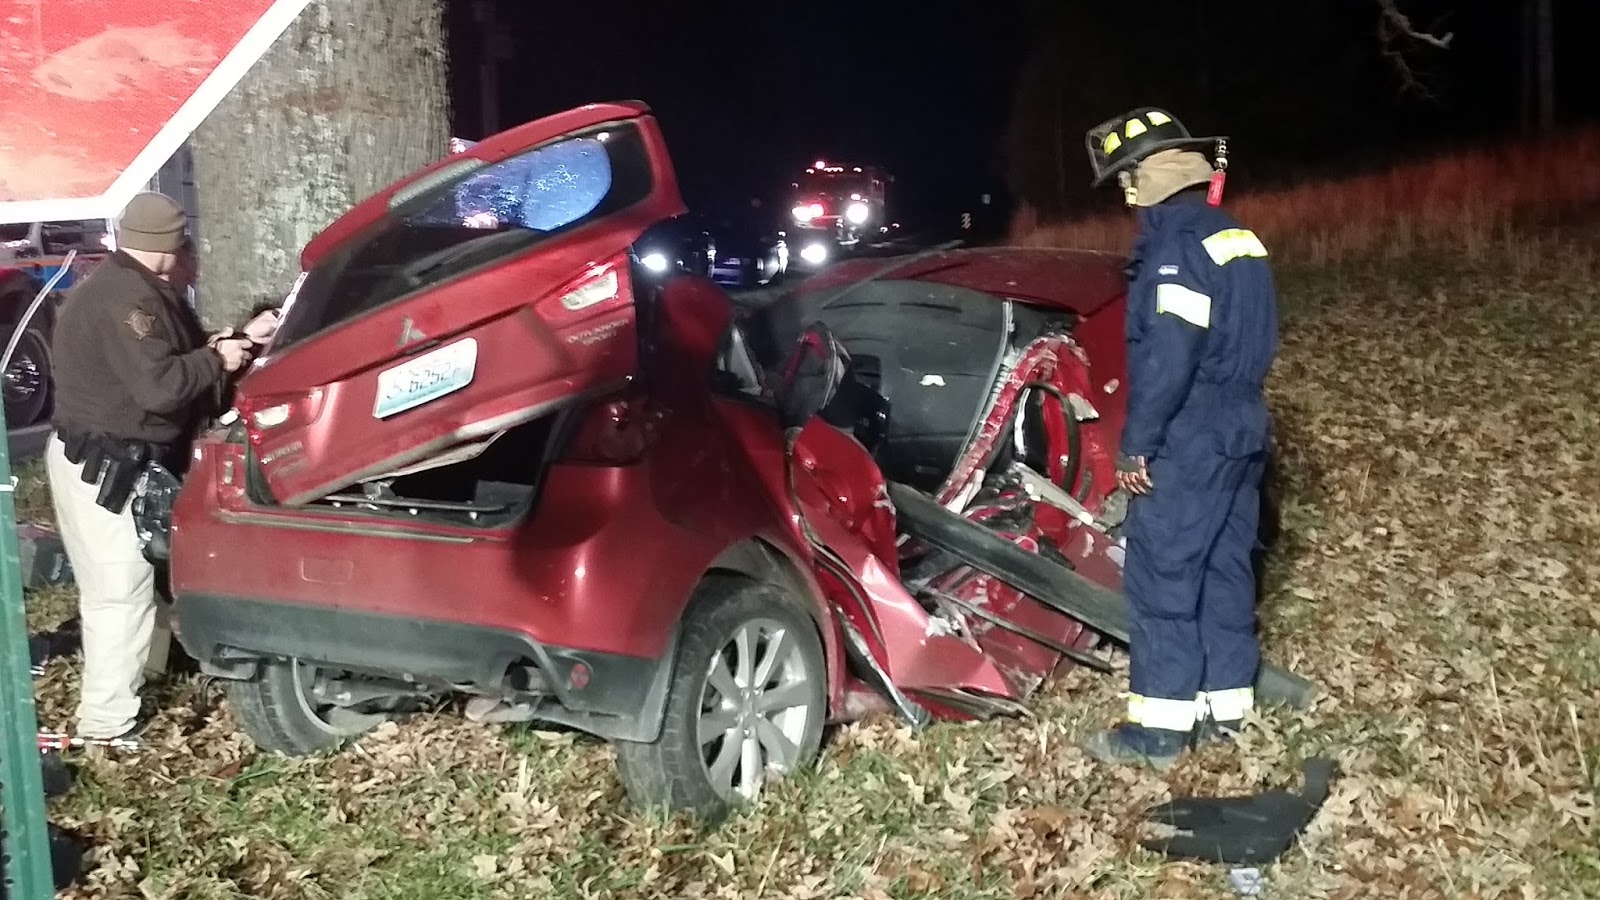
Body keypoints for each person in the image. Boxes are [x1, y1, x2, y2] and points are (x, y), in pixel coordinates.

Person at [1077, 108, 1280, 770]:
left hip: (1190, 434)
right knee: (1225, 567)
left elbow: (1170, 358)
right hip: (1242, 427)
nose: (1124, 195)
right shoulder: (1236, 237)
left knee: (1163, 575)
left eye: (1126, 179)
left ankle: (1159, 734)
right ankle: (1228, 712)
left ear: (1149, 176)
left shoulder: (1175, 252)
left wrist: (1137, 446)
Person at [45, 192, 276, 741]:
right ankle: (106, 724)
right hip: (104, 460)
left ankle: (138, 681)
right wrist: (216, 358)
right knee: (117, 592)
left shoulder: (132, 286)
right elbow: (161, 386)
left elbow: (169, 360)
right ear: (172, 247)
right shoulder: (129, 299)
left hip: (119, 456)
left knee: (136, 582)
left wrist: (240, 340)